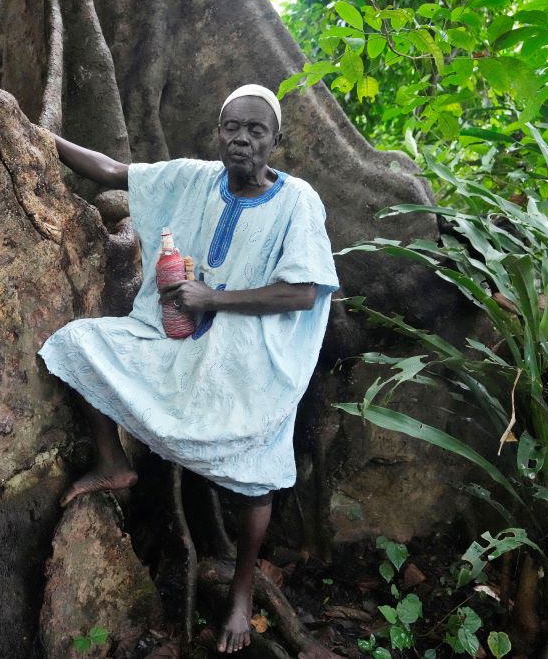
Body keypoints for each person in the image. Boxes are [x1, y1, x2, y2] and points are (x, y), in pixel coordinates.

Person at [38, 84, 339, 654]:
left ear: (276, 140)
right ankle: (113, 461)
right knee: (77, 345)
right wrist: (33, 132)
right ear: (218, 130)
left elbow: (302, 291)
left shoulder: (298, 200)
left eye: (256, 130)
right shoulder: (195, 177)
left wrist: (214, 300)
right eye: (233, 127)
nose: (242, 140)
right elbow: (109, 171)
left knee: (255, 477)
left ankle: (243, 594)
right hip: (177, 338)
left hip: (253, 358)